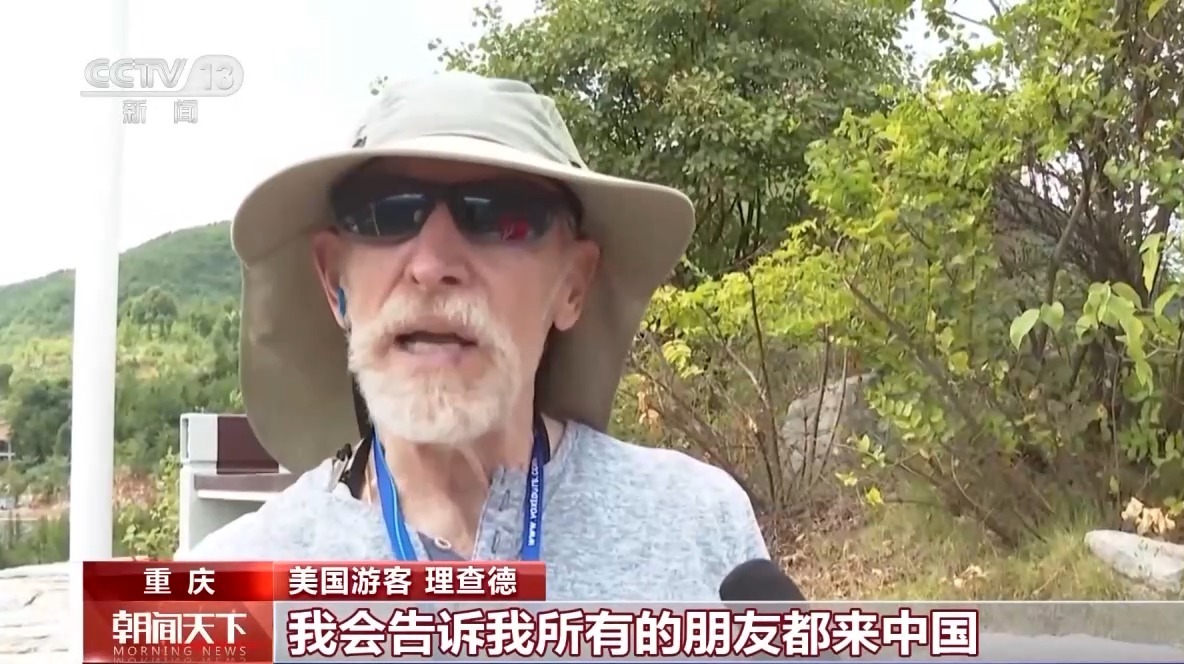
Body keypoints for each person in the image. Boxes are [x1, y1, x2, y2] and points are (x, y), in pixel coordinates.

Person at [182, 72, 769, 600]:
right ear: (335, 281)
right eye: (387, 213)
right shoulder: (225, 593)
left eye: (500, 216)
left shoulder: (698, 531)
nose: (431, 265)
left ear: (573, 286)